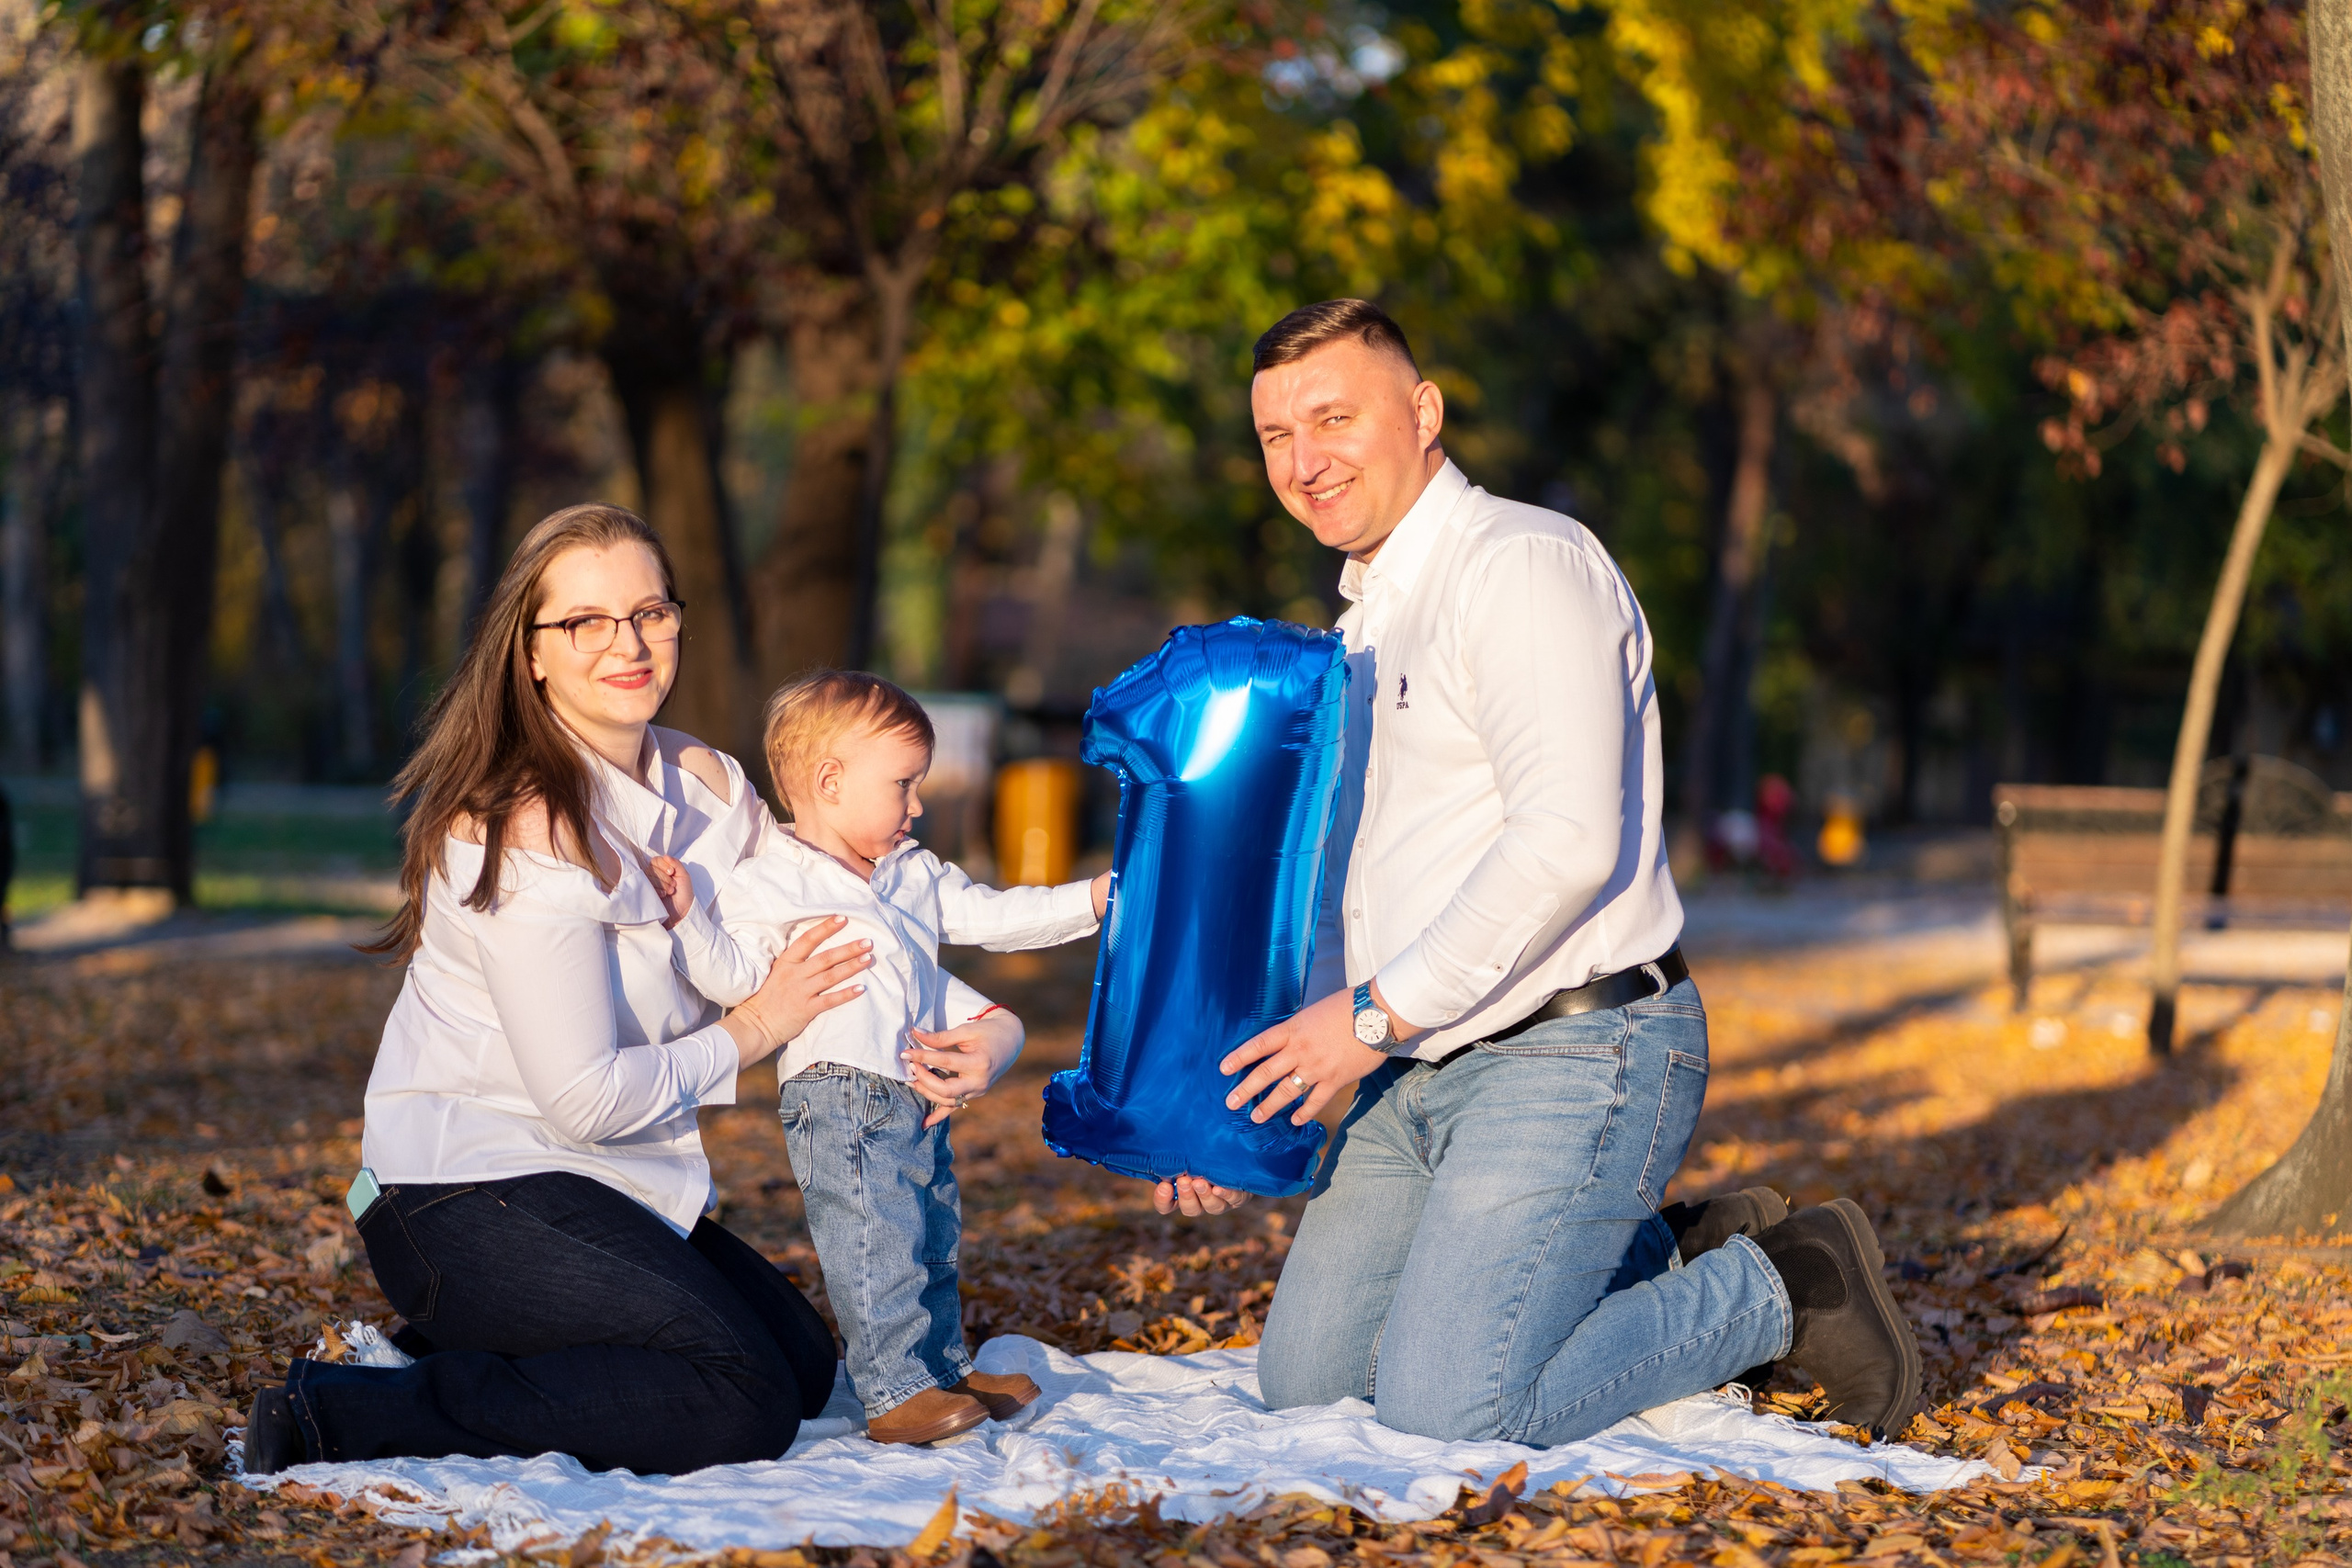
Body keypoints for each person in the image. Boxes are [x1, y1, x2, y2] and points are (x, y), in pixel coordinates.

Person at [1156, 300, 1921, 1446]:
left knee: (1452, 1406)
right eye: (1275, 435)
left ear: (1422, 414)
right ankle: (1653, 1249)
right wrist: (1229, 1102)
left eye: (1332, 418)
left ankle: (1778, 1281)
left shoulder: (1519, 564)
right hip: (1411, 1066)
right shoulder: (1363, 623)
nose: (1304, 462)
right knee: (1310, 1385)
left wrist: (1365, 1021)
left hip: (1577, 1048)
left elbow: (1566, 841)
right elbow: (1360, 885)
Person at [240, 503, 1023, 1475]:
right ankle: (342, 1412)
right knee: (739, 1402)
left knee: (802, 1364)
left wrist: (990, 1031)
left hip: (612, 1183)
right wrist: (758, 1025)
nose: (630, 643)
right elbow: (584, 1095)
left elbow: (845, 932)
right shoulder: (519, 825)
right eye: (587, 622)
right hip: (462, 1193)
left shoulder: (709, 785)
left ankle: (504, 1348)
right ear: (530, 652)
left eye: (651, 612)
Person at [653, 670, 1110, 1445]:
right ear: (830, 782)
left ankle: (940, 1367)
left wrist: (1093, 900)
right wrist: (689, 922)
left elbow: (995, 917)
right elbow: (733, 975)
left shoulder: (912, 873)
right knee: (876, 1240)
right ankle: (895, 1390)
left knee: (931, 1233)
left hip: (913, 1092)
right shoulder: (772, 881)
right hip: (837, 1094)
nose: (919, 804)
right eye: (903, 784)